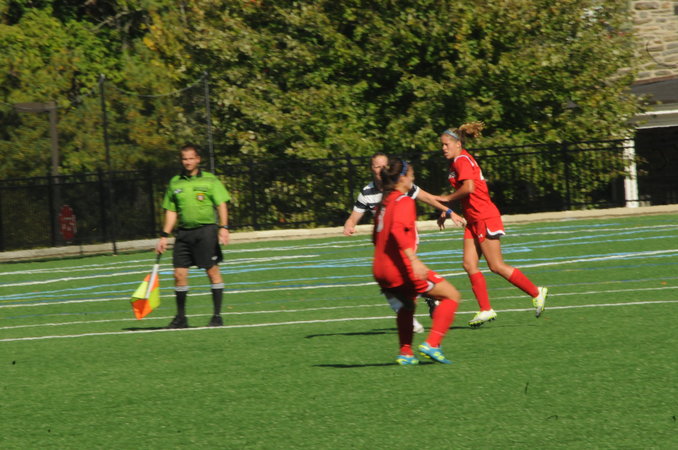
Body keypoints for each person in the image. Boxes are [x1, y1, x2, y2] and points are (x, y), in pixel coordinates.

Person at [435, 122, 548, 327]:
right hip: (473, 219)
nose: (443, 148)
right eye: (441, 145)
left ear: (458, 143)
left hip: (484, 216)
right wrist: (447, 209)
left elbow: (469, 188)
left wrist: (446, 199)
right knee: (469, 264)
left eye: (446, 144)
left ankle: (536, 292)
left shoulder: (461, 160)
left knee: (496, 265)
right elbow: (463, 191)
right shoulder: (456, 162)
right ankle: (486, 309)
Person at [343, 152, 465, 334]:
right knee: (401, 282)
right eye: (376, 166)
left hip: (405, 243)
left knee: (401, 282)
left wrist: (449, 212)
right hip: (387, 247)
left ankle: (418, 321)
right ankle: (424, 310)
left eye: (384, 166)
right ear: (371, 169)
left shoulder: (402, 187)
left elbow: (427, 198)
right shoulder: (368, 192)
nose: (380, 169)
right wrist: (350, 224)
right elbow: (355, 217)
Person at [373, 157, 462, 365]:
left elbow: (375, 238)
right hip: (400, 267)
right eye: (411, 175)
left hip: (380, 268)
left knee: (407, 304)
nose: (413, 179)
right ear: (402, 178)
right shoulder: (404, 201)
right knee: (451, 295)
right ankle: (432, 343)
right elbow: (397, 230)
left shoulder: (383, 203)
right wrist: (413, 260)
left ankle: (405, 353)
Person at [155, 144, 231, 328]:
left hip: (206, 231)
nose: (187, 162)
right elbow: (171, 211)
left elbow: (221, 204)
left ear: (198, 159)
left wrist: (224, 227)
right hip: (183, 233)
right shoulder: (175, 183)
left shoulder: (210, 180)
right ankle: (181, 318)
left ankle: (217, 316)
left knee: (212, 271)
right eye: (184, 159)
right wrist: (164, 235)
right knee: (179, 273)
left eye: (191, 158)